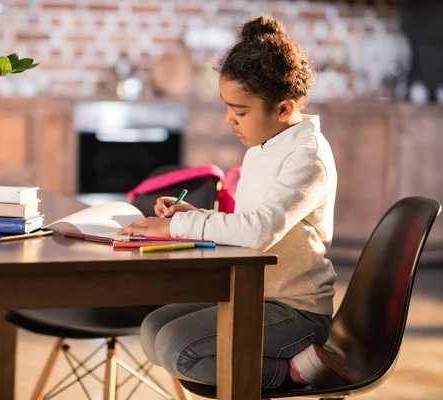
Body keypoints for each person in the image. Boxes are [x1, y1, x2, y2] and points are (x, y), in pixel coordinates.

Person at [118, 15, 352, 390]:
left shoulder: (308, 157)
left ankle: (294, 371)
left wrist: (175, 226)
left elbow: (259, 232)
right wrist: (196, 215)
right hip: (253, 293)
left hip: (296, 311)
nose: (229, 120)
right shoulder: (264, 145)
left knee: (179, 348)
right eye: (228, 107)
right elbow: (246, 221)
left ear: (284, 109)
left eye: (239, 111)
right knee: (154, 328)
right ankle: (276, 366)